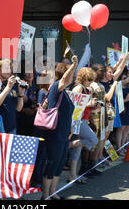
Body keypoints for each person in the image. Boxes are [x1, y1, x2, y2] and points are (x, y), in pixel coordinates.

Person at [41, 56, 78, 200]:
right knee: (53, 163)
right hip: (55, 134)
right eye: (70, 74)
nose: (73, 77)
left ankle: (53, 191)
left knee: (60, 163)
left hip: (64, 134)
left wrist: (69, 130)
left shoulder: (66, 93)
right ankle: (45, 195)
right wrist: (73, 65)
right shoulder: (56, 86)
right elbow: (64, 80)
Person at [68, 67, 99, 183]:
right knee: (93, 139)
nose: (91, 82)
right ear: (83, 78)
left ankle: (72, 175)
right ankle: (69, 145)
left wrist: (93, 107)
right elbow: (73, 106)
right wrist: (89, 104)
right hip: (77, 121)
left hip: (83, 120)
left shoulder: (86, 89)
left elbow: (85, 108)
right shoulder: (79, 88)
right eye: (89, 79)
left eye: (92, 79)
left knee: (77, 151)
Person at [0, 59, 26, 134]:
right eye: (5, 68)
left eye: (9, 68)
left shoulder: (12, 83)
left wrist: (20, 94)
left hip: (11, 126)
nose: (8, 70)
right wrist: (8, 87)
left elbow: (18, 109)